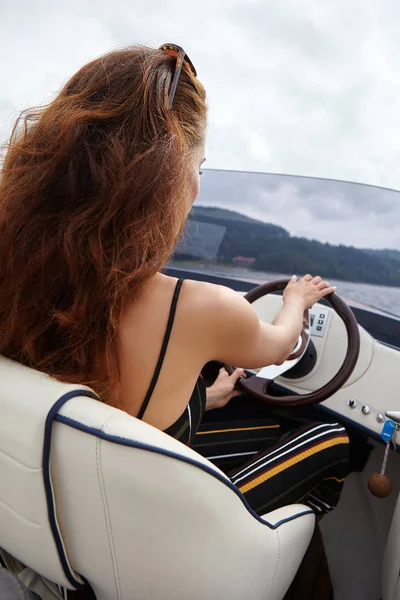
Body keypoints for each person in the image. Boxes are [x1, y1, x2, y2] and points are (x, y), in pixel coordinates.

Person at [0, 43, 349, 520]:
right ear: (165, 180)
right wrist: (296, 299)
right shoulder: (201, 308)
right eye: (197, 167)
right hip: (144, 521)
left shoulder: (17, 275)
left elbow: (103, 410)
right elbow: (280, 346)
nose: (198, 186)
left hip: (51, 513)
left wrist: (204, 398)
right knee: (331, 440)